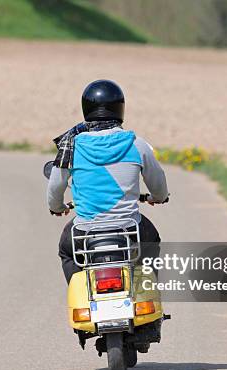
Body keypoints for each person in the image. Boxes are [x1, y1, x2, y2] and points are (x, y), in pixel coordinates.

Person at [47, 79, 169, 283]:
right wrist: (157, 197)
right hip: (130, 229)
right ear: (120, 109)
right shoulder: (137, 144)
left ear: (86, 109)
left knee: (67, 251)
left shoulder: (71, 147)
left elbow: (55, 188)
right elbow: (159, 185)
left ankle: (82, 290)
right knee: (152, 240)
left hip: (85, 232)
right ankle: (148, 288)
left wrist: (58, 207)